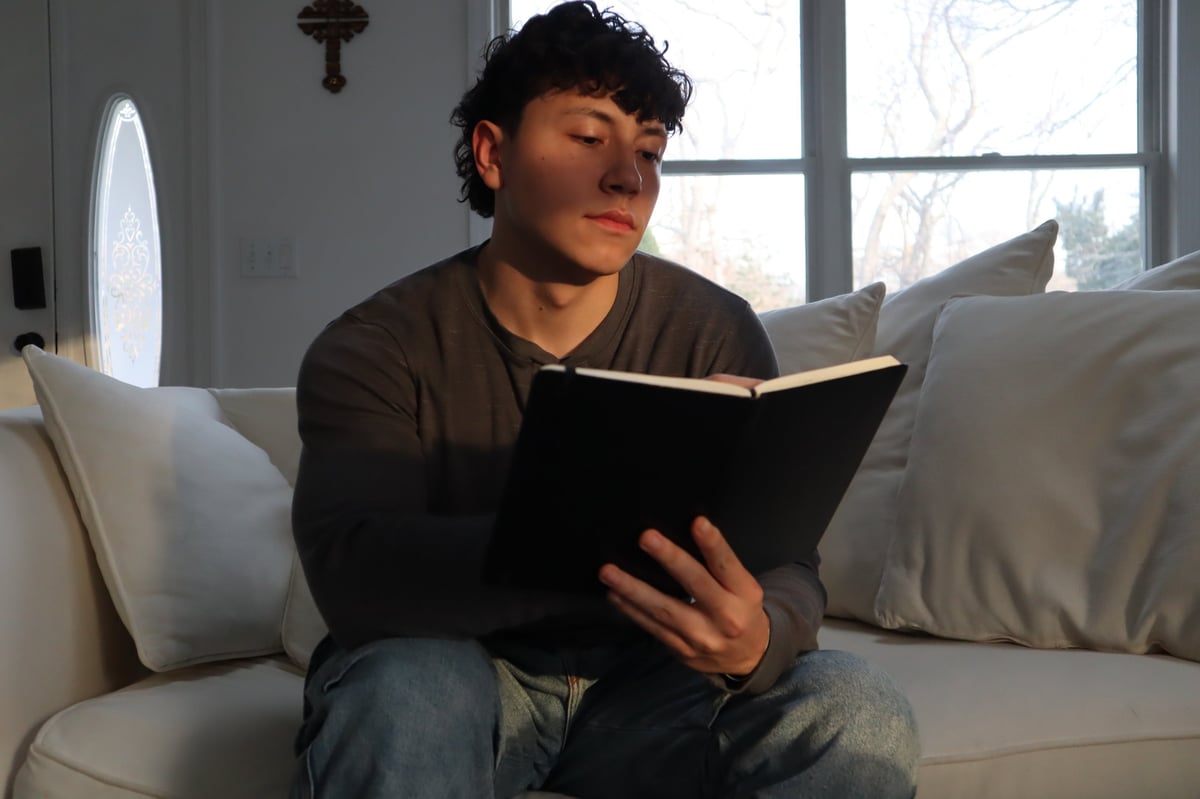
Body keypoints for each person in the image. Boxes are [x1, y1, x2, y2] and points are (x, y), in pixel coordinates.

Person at [288, 2, 919, 797]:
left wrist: (758, 636)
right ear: (493, 153)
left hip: (658, 689)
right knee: (403, 693)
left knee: (857, 707)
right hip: (460, 672)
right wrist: (610, 510)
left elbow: (783, 561)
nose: (629, 176)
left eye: (649, 151)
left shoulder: (712, 327)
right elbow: (358, 577)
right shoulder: (378, 345)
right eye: (589, 138)